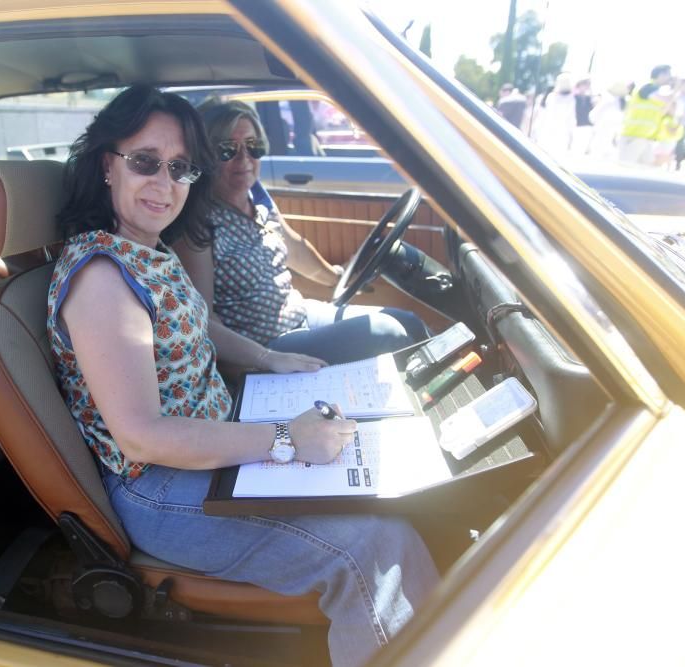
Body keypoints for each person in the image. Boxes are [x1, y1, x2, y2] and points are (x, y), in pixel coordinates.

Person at [46, 85, 438, 667]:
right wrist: (285, 439)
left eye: (180, 167)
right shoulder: (102, 275)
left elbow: (197, 323)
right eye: (145, 162)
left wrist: (268, 358)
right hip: (158, 486)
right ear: (108, 165)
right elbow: (142, 435)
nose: (164, 181)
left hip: (213, 439)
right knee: (376, 546)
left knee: (374, 452)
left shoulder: (144, 252)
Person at [174, 99, 429, 373]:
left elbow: (294, 248)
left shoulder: (256, 197)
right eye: (227, 150)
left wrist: (339, 276)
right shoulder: (199, 225)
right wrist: (260, 360)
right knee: (386, 332)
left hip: (299, 312)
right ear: (206, 156)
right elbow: (205, 322)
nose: (245, 159)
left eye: (253, 146)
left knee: (407, 320)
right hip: (266, 345)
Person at [618, 64, 676, 166]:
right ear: (661, 74)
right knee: (625, 169)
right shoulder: (647, 87)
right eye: (669, 75)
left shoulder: (659, 93)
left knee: (647, 171)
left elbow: (671, 109)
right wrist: (677, 88)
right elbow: (667, 100)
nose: (670, 78)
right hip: (633, 137)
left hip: (646, 138)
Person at [531, 73, 577, 156]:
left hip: (547, 129)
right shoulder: (572, 99)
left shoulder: (551, 97)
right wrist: (571, 134)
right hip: (562, 131)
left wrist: (536, 129)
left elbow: (544, 115)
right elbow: (571, 118)